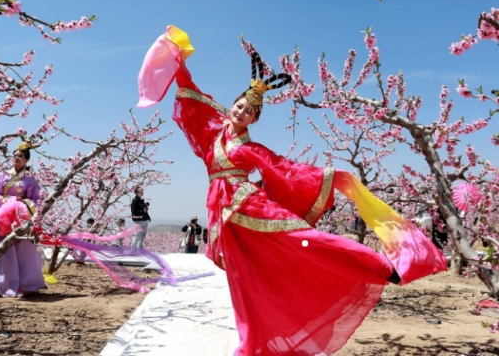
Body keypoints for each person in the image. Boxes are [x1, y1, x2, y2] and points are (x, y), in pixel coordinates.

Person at [137, 26, 447, 355]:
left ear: (254, 120)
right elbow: (190, 93)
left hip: (254, 208)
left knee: (309, 242)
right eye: (240, 105)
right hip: (227, 218)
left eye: (249, 111)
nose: (242, 112)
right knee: (245, 281)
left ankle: (381, 268)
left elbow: (286, 169)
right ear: (233, 106)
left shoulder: (251, 149)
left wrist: (334, 177)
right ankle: (252, 343)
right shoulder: (211, 134)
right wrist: (177, 58)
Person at [0, 141, 45, 298]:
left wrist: (23, 203)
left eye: (20, 156)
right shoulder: (2, 175)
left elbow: (36, 199)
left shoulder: (30, 179)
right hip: (2, 216)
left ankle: (28, 285)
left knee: (24, 250)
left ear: (26, 160)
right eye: (15, 155)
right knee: (1, 249)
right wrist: (1, 200)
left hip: (20, 216)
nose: (16, 158)